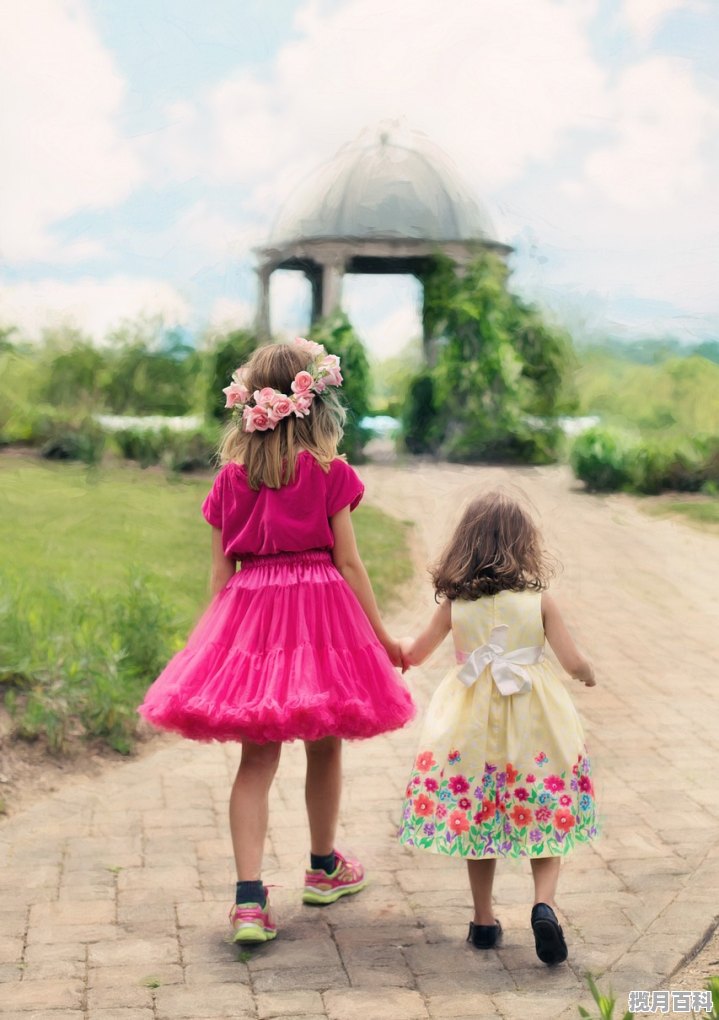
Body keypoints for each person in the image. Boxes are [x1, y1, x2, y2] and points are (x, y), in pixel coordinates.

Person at [139, 338, 415, 944]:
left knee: (257, 757)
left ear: (249, 407)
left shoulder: (230, 481)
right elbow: (349, 564)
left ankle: (247, 899)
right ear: (313, 404)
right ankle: (322, 867)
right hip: (320, 616)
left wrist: (205, 652)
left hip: (253, 618)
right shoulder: (328, 472)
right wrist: (383, 636)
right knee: (324, 741)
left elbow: (220, 578)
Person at [397, 490, 597, 966]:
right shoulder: (538, 601)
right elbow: (572, 661)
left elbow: (416, 652)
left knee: (479, 817)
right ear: (523, 545)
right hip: (534, 725)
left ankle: (484, 922)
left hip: (472, 729)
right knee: (546, 811)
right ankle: (543, 904)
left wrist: (389, 644)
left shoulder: (455, 604)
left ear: (464, 545)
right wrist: (587, 673)